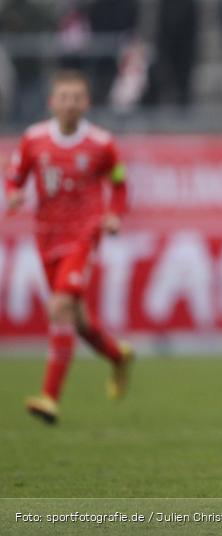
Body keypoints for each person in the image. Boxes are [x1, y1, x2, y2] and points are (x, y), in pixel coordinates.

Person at [4, 70, 133, 425]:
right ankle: (118, 357)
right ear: (52, 102)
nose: (71, 103)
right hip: (46, 237)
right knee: (77, 320)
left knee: (59, 306)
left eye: (77, 97)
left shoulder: (102, 144)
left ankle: (49, 397)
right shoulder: (34, 139)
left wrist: (114, 215)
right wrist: (13, 194)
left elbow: (119, 184)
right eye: (64, 96)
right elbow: (15, 175)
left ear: (87, 102)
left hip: (83, 235)